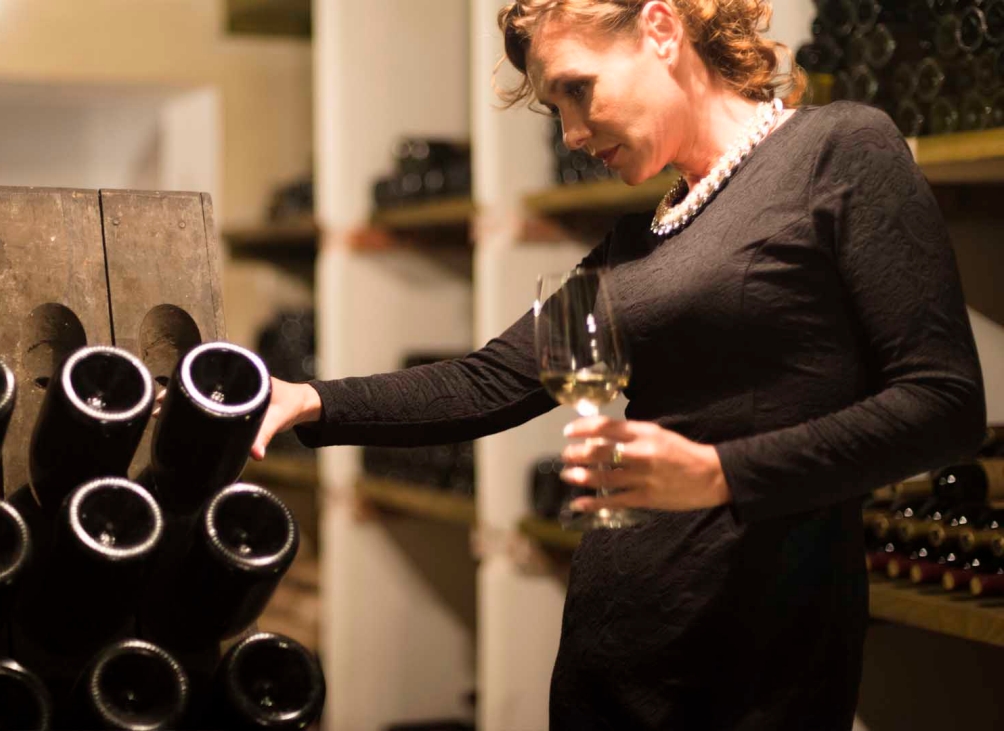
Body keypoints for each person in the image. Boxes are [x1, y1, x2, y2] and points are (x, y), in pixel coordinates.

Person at [248, 0, 987, 728]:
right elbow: (491, 380)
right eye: (556, 109)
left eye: (579, 89)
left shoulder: (837, 151)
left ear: (661, 28)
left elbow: (944, 403)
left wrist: (722, 473)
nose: (572, 133)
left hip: (751, 671)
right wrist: (307, 399)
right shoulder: (635, 244)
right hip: (611, 659)